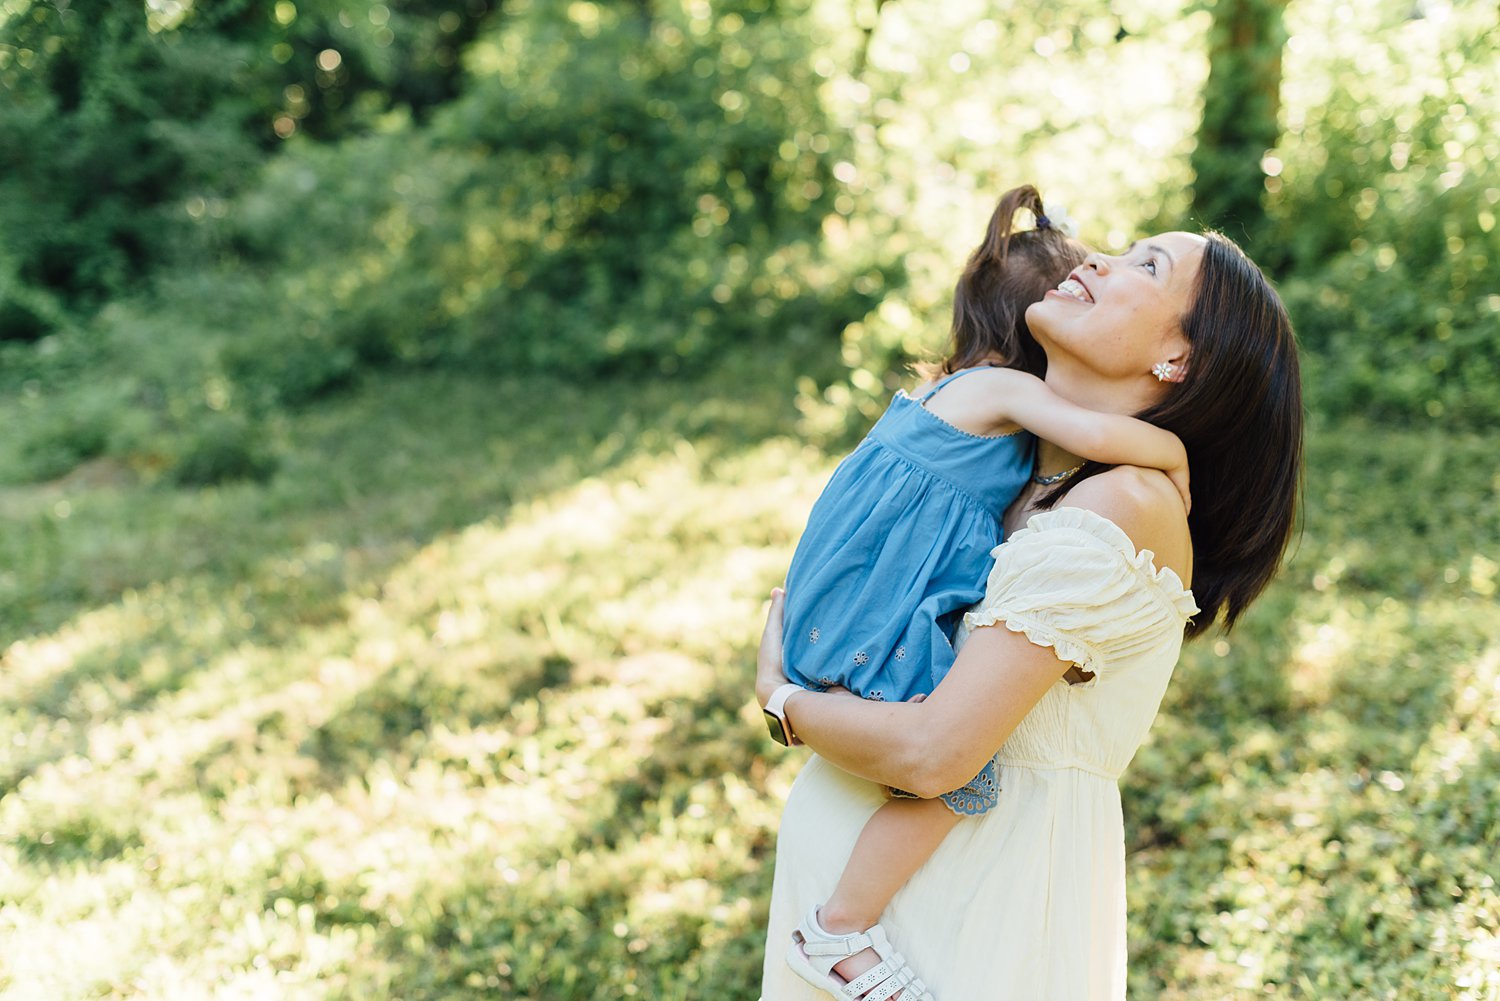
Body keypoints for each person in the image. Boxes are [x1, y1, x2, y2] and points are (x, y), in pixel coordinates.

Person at [755, 228, 1303, 1000]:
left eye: (1148, 266)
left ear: (1178, 359)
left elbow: (934, 754)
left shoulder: (1124, 501)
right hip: (850, 904)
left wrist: (784, 699)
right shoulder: (1006, 470)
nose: (1100, 260)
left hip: (971, 914)